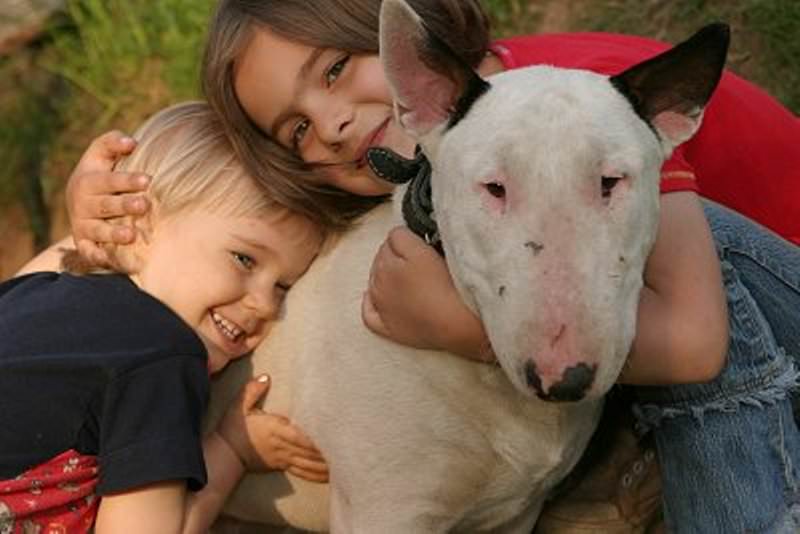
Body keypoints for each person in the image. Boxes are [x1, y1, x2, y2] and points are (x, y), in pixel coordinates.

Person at [63, 1, 800, 531]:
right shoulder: (436, 145)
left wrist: (464, 331)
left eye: (336, 69)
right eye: (295, 130)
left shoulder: (581, 105)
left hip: (764, 283)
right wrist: (104, 203)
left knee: (675, 258)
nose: (332, 123)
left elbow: (700, 343)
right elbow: (216, 193)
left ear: (407, 56)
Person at [0, 101, 328, 534]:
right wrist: (232, 450)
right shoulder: (161, 353)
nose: (266, 305)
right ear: (140, 219)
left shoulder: (33, 291)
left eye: (284, 286)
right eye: (244, 259)